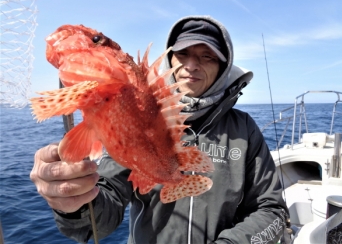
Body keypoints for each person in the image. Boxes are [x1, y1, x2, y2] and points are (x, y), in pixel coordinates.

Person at [30, 16, 289, 244]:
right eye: (183, 54)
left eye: (207, 56)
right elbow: (101, 215)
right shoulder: (138, 114)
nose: (192, 65)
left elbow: (273, 211)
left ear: (223, 68)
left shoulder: (244, 129)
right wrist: (74, 202)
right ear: (170, 60)